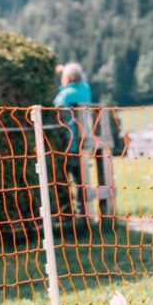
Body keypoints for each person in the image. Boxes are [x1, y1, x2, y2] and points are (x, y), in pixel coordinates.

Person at [53, 62, 93, 221]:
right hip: (84, 143)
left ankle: (67, 215)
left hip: (69, 144)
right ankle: (84, 215)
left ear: (67, 78)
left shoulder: (65, 96)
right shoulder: (86, 90)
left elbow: (55, 105)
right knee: (80, 181)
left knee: (62, 179)